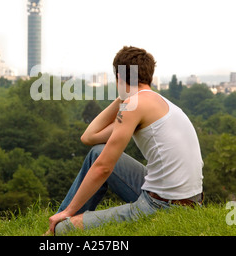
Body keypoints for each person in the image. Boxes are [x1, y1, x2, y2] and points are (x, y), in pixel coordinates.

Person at [48, 46, 204, 235]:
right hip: (190, 200)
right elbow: (89, 137)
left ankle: (60, 221)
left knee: (64, 229)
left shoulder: (134, 106)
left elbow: (103, 167)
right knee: (97, 152)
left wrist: (69, 211)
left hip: (163, 204)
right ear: (149, 76)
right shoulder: (154, 102)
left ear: (119, 77)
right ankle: (61, 219)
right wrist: (122, 97)